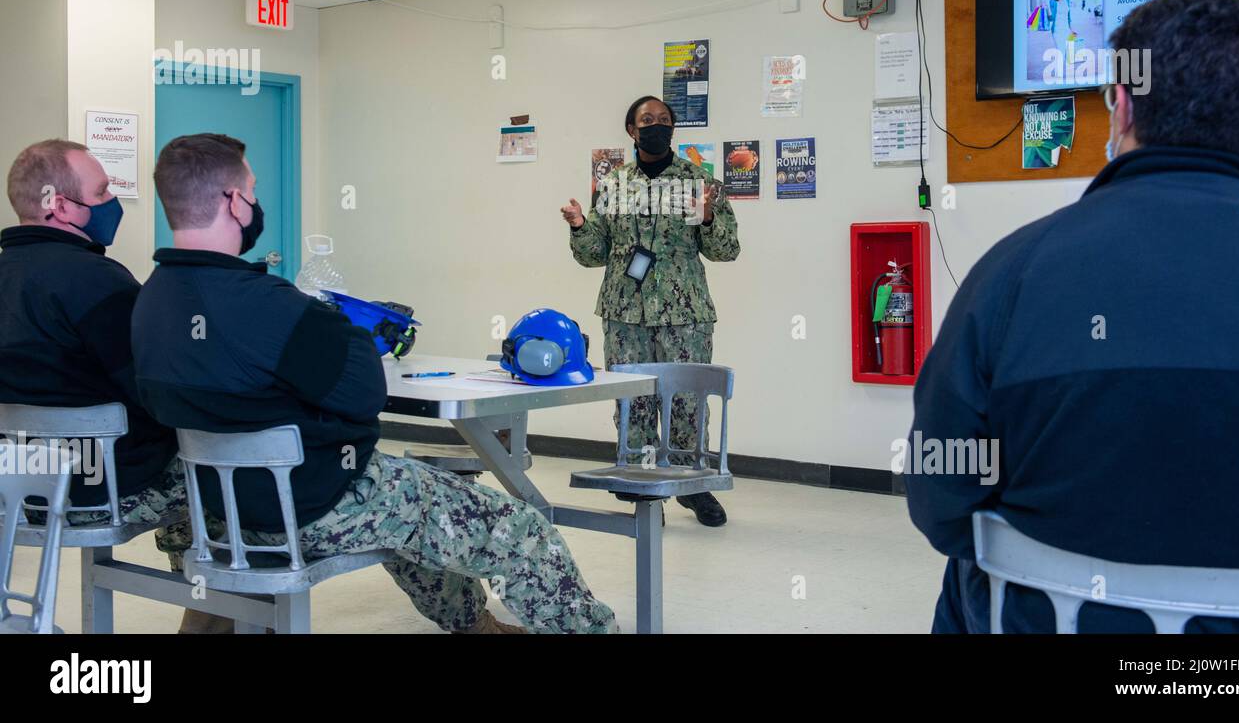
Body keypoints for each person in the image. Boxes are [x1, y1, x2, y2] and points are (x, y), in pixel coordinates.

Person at [907, 0, 1239, 632]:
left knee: (966, 576)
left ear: (1119, 104)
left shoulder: (1010, 273)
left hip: (1050, 619)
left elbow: (939, 501)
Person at [134, 133, 616, 633]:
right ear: (235, 202)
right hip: (311, 505)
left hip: (214, 509)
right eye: (251, 190)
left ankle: (476, 627)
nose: (255, 201)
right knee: (519, 527)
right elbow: (365, 397)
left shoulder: (151, 300)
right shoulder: (270, 304)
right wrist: (353, 338)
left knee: (415, 499)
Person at [0, 139, 209, 632]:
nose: (111, 202)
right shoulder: (97, 281)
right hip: (97, 490)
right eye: (101, 191)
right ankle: (226, 611)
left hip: (13, 488)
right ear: (58, 204)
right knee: (225, 469)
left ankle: (212, 616)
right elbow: (157, 394)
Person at [562, 96, 740, 526]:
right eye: (647, 120)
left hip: (685, 313)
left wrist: (710, 217)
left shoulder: (701, 183)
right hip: (625, 312)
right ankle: (643, 489)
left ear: (673, 129)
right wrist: (579, 227)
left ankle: (691, 486)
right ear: (631, 129)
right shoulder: (612, 185)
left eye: (664, 120)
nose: (656, 126)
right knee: (633, 402)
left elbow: (727, 250)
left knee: (687, 401)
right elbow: (594, 255)